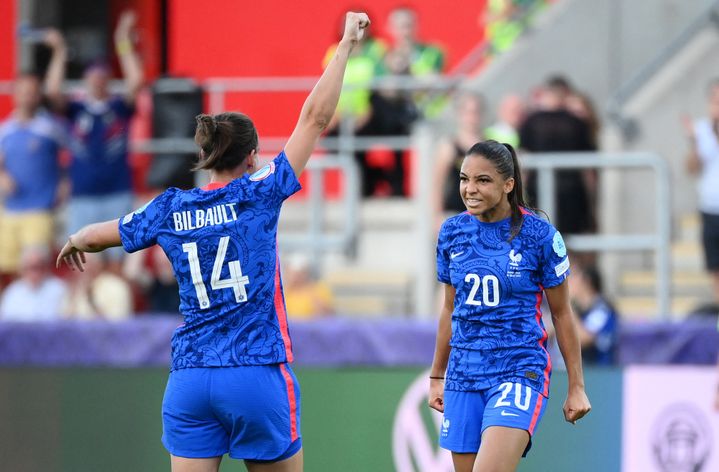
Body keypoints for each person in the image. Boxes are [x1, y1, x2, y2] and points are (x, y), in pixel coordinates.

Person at [56, 12, 369, 472]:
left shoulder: (171, 207)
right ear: (252, 156)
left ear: (203, 158)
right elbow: (316, 118)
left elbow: (108, 234)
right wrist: (344, 45)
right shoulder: (261, 192)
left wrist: (77, 238)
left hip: (190, 379)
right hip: (254, 372)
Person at [428, 140, 591, 472]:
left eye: (482, 180)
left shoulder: (540, 236)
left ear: (508, 184)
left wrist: (576, 386)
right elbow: (449, 309)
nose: (469, 189)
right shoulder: (451, 233)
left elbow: (561, 313)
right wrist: (437, 375)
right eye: (464, 179)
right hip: (463, 374)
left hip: (518, 369)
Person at [46, 11, 144, 272]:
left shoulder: (119, 107)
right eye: (93, 77)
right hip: (82, 196)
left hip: (117, 192)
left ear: (109, 81)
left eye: (103, 77)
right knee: (86, 267)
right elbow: (53, 91)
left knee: (116, 265)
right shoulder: (77, 110)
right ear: (86, 80)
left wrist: (122, 41)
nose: (98, 81)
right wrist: (59, 51)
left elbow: (136, 81)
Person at [0, 51, 67, 277]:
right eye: (22, 92)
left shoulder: (49, 128)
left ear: (38, 96)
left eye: (32, 92)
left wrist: (65, 183)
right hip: (9, 211)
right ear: (14, 95)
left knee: (34, 270)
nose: (26, 97)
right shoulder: (5, 131)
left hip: (39, 211)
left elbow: (74, 154)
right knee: (5, 271)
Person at [519, 76, 595, 235]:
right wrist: (592, 205)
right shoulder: (577, 123)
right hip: (572, 197)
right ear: (565, 94)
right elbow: (588, 171)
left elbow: (523, 166)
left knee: (539, 246)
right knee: (572, 251)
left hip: (536, 194)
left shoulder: (531, 122)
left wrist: (518, 201)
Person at [685, 79, 719, 310]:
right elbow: (692, 168)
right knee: (714, 266)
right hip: (710, 206)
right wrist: (694, 142)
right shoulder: (701, 130)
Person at [433, 92, 485, 221]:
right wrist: (437, 217)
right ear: (460, 114)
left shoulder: (487, 146)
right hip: (456, 214)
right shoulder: (449, 146)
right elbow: (437, 185)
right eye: (468, 112)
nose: (472, 117)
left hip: (482, 215)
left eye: (475, 112)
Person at [0, 245, 67, 322]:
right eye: (31, 267)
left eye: (38, 267)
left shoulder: (59, 289)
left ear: (46, 267)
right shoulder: (13, 292)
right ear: (23, 268)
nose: (35, 273)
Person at [568, 264, 618, 365]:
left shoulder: (602, 310)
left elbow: (581, 340)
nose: (568, 283)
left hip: (600, 375)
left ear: (586, 282)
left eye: (573, 278)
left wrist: (566, 306)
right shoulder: (581, 310)